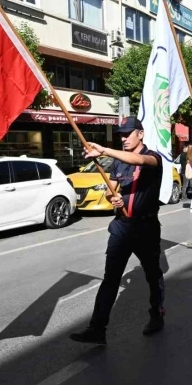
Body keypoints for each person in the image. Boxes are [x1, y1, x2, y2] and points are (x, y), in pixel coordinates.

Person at [69, 117, 165, 345]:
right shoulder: (118, 164)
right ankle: (97, 329)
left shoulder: (153, 157)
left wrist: (104, 150)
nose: (123, 138)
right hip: (122, 227)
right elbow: (114, 188)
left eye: (127, 134)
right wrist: (115, 198)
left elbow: (138, 160)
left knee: (153, 275)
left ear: (140, 134)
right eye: (120, 135)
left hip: (146, 227)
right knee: (110, 279)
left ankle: (157, 315)